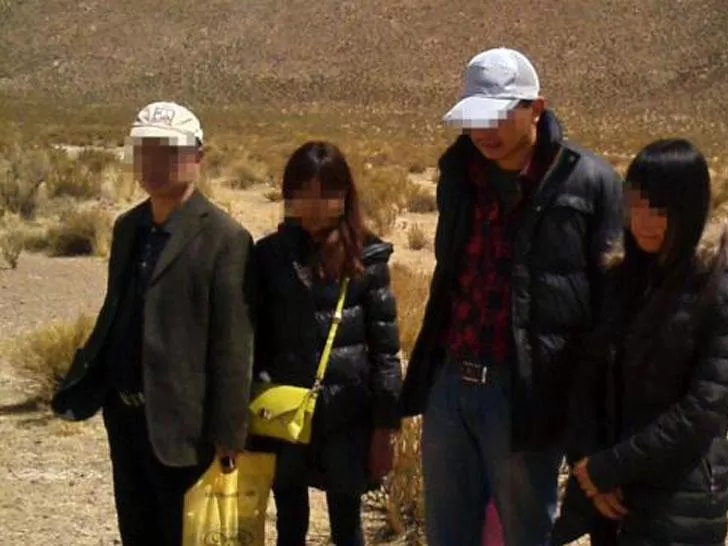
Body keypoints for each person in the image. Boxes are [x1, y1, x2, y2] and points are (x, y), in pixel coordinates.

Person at [398, 46, 624, 545]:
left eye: (501, 114)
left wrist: (594, 422)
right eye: (477, 116)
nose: (486, 131)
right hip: (452, 383)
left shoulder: (591, 183)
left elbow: (610, 310)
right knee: (447, 533)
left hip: (525, 395)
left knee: (526, 532)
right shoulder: (459, 177)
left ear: (536, 108)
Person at [50, 101, 256, 545]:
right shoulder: (128, 228)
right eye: (144, 150)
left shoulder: (225, 238)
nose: (153, 163)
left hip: (185, 428)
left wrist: (228, 434)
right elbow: (116, 310)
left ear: (197, 157)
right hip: (125, 419)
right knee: (136, 532)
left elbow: (232, 344)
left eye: (168, 151)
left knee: (184, 535)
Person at [552, 138, 728, 546]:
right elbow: (585, 376)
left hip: (680, 502)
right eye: (637, 205)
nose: (645, 221)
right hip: (610, 500)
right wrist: (586, 463)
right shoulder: (621, 279)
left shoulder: (723, 287)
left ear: (690, 207)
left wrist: (610, 467)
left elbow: (703, 409)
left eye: (661, 209)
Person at [248, 141, 402, 546]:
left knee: (347, 526)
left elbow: (386, 350)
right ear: (289, 195)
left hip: (347, 418)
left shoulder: (367, 257)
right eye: (304, 195)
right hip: (285, 415)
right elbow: (253, 339)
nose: (315, 206)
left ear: (344, 196)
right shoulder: (268, 257)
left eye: (327, 195)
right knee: (289, 524)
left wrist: (385, 429)